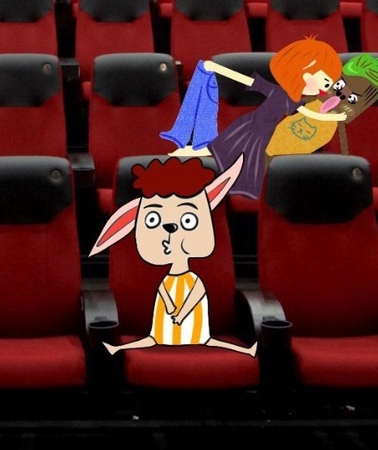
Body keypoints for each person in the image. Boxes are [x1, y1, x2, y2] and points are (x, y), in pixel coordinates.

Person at [88, 155, 257, 357]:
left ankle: (245, 350)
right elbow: (164, 296)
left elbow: (195, 296)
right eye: (152, 219)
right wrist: (174, 311)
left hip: (195, 330)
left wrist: (181, 313)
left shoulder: (193, 280)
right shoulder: (167, 281)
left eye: (188, 220)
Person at [203, 37, 348, 199]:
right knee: (231, 156)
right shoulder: (277, 91)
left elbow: (309, 114)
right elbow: (247, 80)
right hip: (252, 126)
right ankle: (228, 188)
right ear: (305, 72)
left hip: (266, 133)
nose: (325, 88)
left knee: (249, 162)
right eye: (325, 81)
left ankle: (238, 189)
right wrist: (217, 68)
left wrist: (332, 117)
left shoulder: (294, 101)